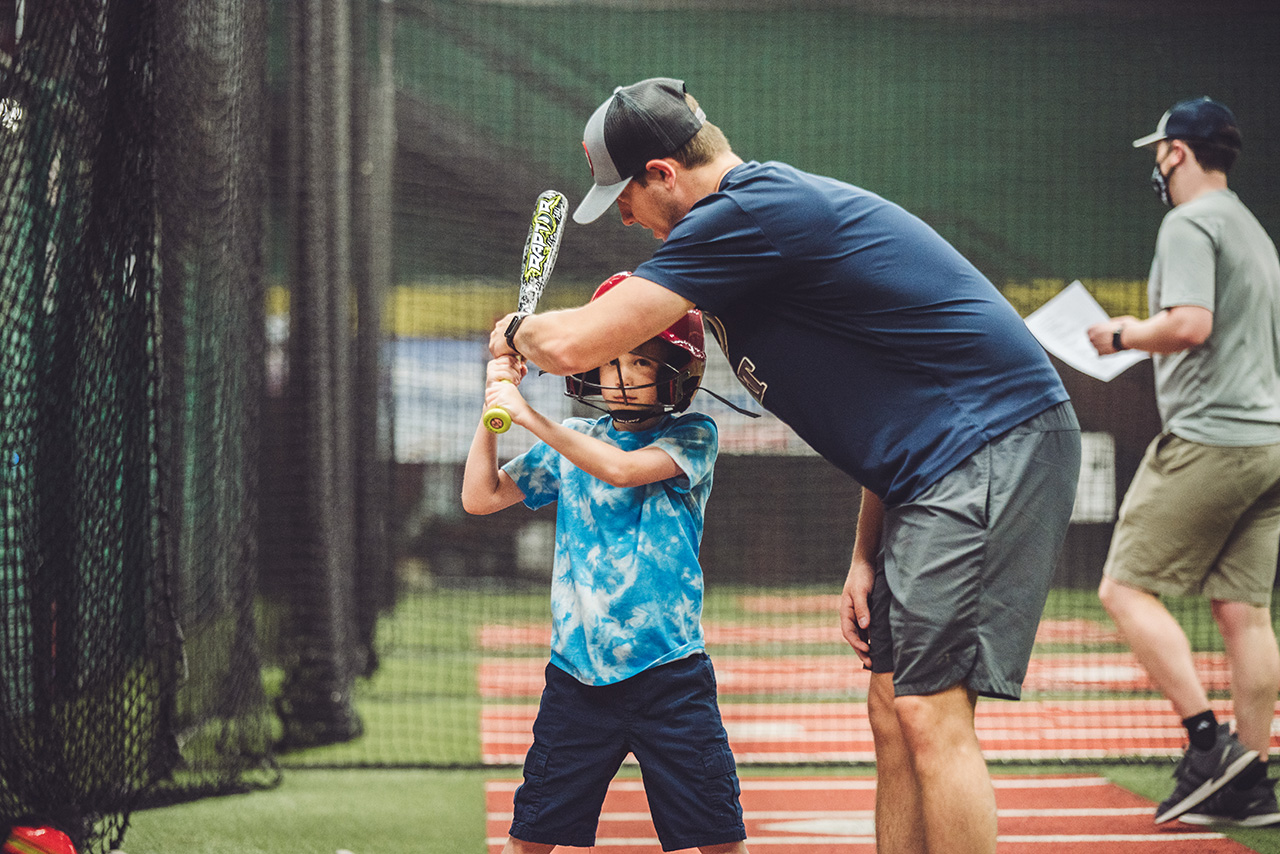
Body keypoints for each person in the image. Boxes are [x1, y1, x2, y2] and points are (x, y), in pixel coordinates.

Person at [489, 77, 1082, 854]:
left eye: (625, 196)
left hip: (992, 444)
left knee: (929, 712)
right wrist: (865, 553)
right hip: (928, 468)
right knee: (890, 707)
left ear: (664, 174)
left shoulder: (744, 214)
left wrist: (516, 331)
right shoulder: (752, 224)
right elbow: (892, 406)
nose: (625, 216)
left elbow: (574, 345)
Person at [463, 273, 749, 854]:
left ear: (676, 369)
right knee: (530, 835)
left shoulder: (694, 435)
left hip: (670, 674)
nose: (619, 378)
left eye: (640, 363)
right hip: (576, 679)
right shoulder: (574, 436)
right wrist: (494, 402)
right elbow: (481, 497)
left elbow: (619, 470)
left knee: (718, 835)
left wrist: (528, 416)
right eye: (611, 361)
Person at [1088, 96, 1280, 828]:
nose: (1158, 168)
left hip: (1213, 438)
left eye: (1160, 154)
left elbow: (1191, 324)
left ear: (1176, 152)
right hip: (1269, 441)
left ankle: (1208, 743)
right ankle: (1252, 782)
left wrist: (1122, 335)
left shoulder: (1191, 222)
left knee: (1122, 589)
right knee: (1243, 613)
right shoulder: (1253, 231)